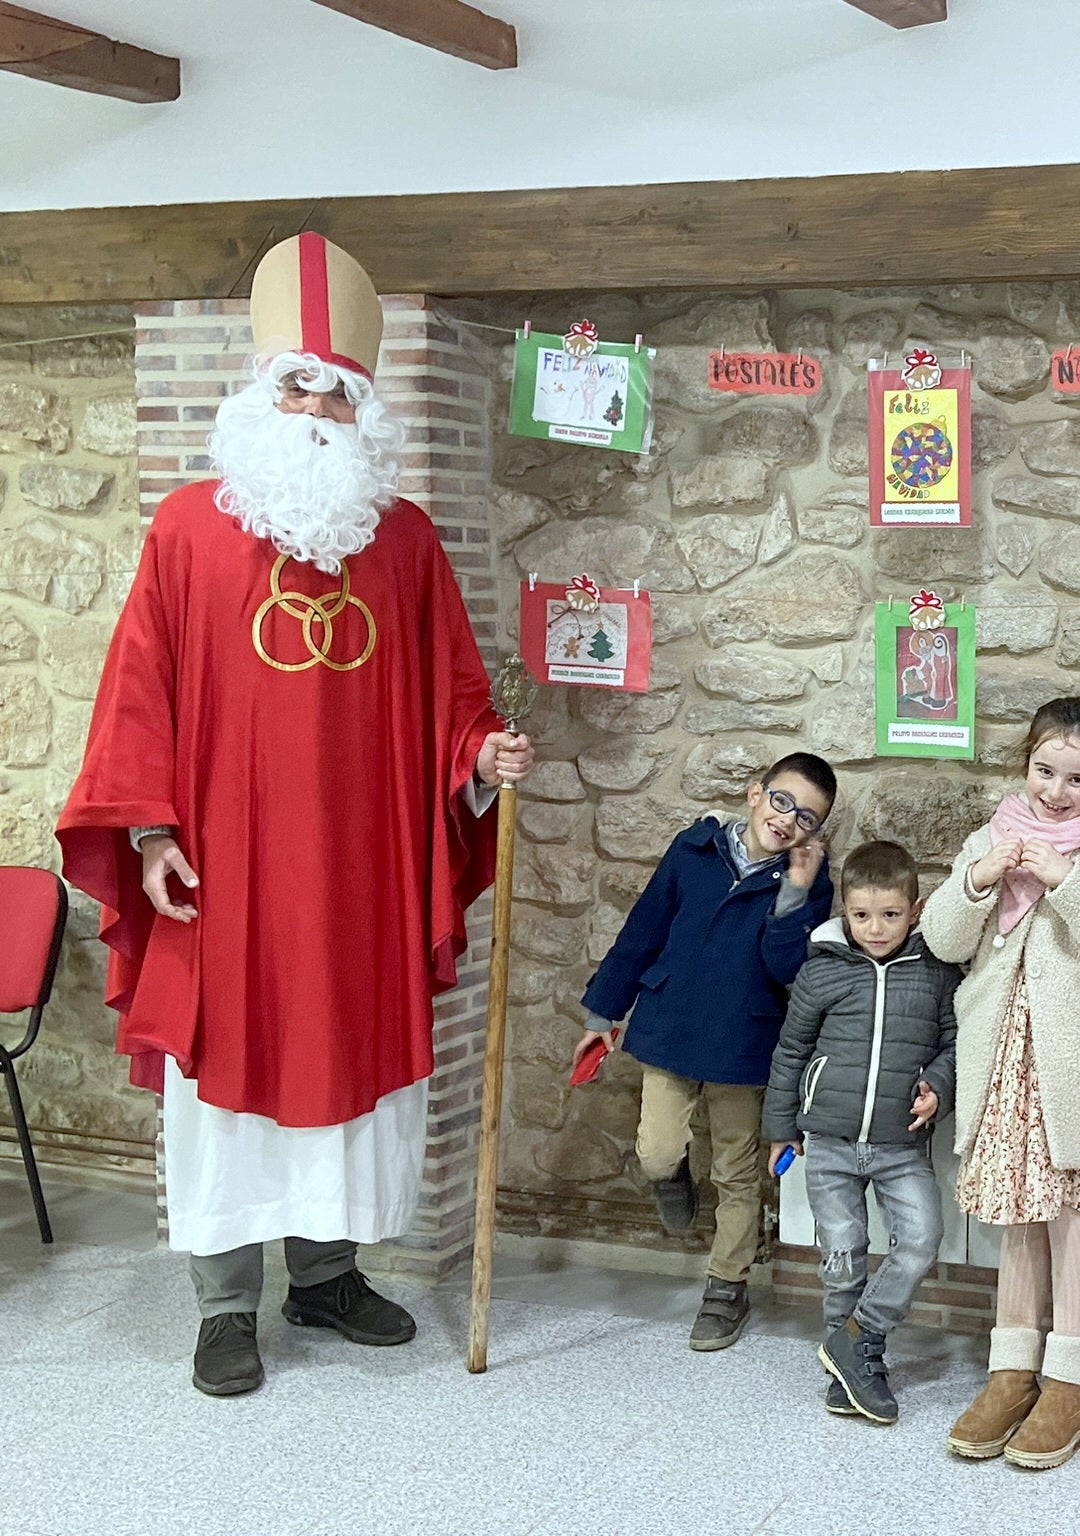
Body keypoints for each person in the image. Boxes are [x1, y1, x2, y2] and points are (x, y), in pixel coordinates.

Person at [56, 233, 532, 1397]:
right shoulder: (183, 532)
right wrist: (154, 833)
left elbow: (452, 695)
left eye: (338, 386)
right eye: (297, 382)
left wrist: (480, 753)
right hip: (225, 873)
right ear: (259, 393)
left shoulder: (406, 541)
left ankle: (326, 1279)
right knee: (226, 1085)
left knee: (351, 1084)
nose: (316, 401)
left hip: (361, 875)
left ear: (364, 407)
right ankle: (226, 1307)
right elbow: (138, 694)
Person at [922, 697, 1080, 1471]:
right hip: (1006, 1062)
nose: (1057, 792)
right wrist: (978, 879)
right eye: (1045, 772)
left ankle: (1071, 1381)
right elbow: (944, 939)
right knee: (1018, 1219)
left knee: (1073, 1216)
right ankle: (1010, 1373)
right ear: (1025, 765)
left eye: (1078, 779)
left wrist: (1065, 877)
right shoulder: (989, 837)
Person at [579, 755, 836, 1351]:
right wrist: (602, 1014)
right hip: (671, 1025)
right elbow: (644, 928)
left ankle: (727, 1286)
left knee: (738, 1173)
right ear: (755, 793)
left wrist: (795, 896)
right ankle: (672, 1179)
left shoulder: (808, 883)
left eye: (807, 818)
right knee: (657, 1149)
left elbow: (789, 970)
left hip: (744, 1043)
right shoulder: (693, 850)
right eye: (781, 801)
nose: (788, 821)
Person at [762, 839, 959, 1425]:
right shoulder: (820, 971)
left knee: (922, 1240)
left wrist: (939, 1089)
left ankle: (857, 1338)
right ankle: (850, 1361)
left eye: (891, 915)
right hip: (828, 1141)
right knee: (843, 1251)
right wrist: (779, 1128)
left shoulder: (935, 971)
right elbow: (791, 1050)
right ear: (844, 911)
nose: (877, 928)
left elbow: (954, 1040)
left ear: (915, 909)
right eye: (863, 915)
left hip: (901, 1145)